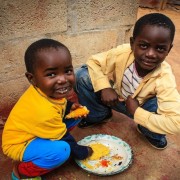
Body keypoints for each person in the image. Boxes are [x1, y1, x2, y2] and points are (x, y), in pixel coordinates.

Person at [75, 13, 180, 150]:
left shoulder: (164, 77)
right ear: (132, 43)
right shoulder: (123, 53)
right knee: (82, 75)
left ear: (169, 50)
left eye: (160, 48)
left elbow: (176, 122)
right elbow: (93, 62)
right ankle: (99, 115)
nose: (150, 54)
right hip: (117, 99)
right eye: (143, 46)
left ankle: (150, 132)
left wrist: (137, 112)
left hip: (142, 107)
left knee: (161, 106)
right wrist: (104, 87)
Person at [2, 39, 92, 179]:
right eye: (51, 74)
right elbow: (65, 138)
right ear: (32, 78)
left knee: (76, 115)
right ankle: (22, 171)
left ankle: (45, 146)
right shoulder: (43, 111)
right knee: (63, 151)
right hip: (19, 143)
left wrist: (70, 106)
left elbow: (58, 102)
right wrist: (81, 152)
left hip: (35, 131)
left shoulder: (46, 91)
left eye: (68, 71)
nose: (62, 79)